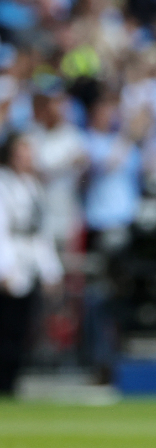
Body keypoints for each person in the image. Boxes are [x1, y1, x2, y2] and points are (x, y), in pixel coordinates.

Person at [0, 132, 63, 395]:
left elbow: (40, 233)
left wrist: (51, 269)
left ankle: (11, 382)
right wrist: (5, 268)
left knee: (23, 328)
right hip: (11, 263)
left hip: (29, 264)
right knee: (6, 327)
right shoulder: (3, 184)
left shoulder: (33, 186)